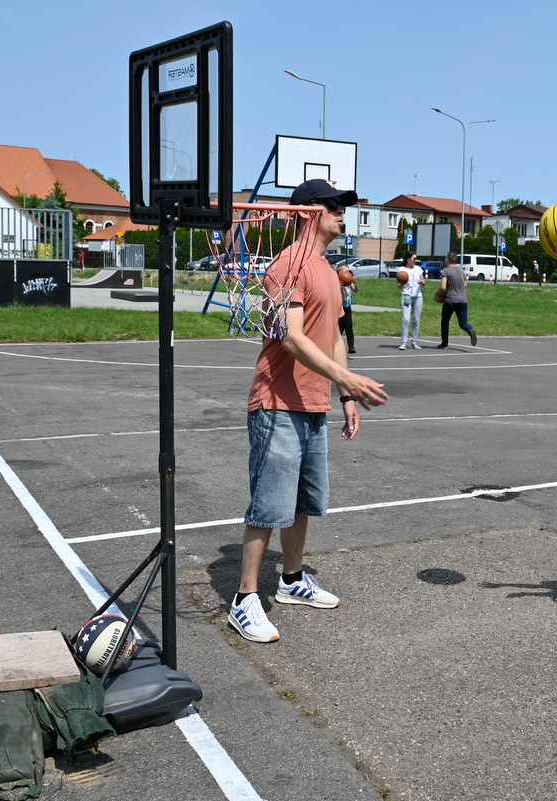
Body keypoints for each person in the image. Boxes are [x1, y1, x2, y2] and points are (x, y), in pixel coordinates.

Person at [229, 178, 390, 644]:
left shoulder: (328, 270)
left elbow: (334, 337)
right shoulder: (288, 264)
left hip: (314, 403)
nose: (343, 212)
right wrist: (348, 380)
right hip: (277, 402)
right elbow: (291, 338)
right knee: (268, 505)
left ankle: (292, 580)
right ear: (308, 211)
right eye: (334, 205)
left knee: (302, 500)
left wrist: (345, 396)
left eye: (344, 206)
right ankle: (244, 599)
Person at [436, 251, 477, 349]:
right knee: (463, 323)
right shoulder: (461, 271)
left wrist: (437, 294)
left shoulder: (446, 271)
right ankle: (470, 330)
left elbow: (443, 287)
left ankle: (444, 343)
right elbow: (465, 285)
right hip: (463, 300)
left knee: (445, 322)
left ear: (448, 259)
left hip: (450, 300)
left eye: (445, 258)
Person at [398, 251, 425, 350]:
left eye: (416, 258)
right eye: (414, 258)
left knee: (416, 320)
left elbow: (423, 282)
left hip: (417, 296)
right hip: (407, 295)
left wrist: (422, 282)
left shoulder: (418, 269)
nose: (415, 260)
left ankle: (414, 342)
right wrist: (402, 283)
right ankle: (404, 342)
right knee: (406, 319)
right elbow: (399, 286)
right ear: (408, 259)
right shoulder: (401, 270)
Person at [338, 267, 357, 354]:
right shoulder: (337, 282)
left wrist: (355, 284)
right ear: (340, 272)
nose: (348, 273)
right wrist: (338, 286)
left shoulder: (349, 282)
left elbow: (356, 290)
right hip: (340, 307)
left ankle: (351, 346)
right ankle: (335, 345)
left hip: (348, 307)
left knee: (349, 327)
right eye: (346, 271)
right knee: (340, 327)